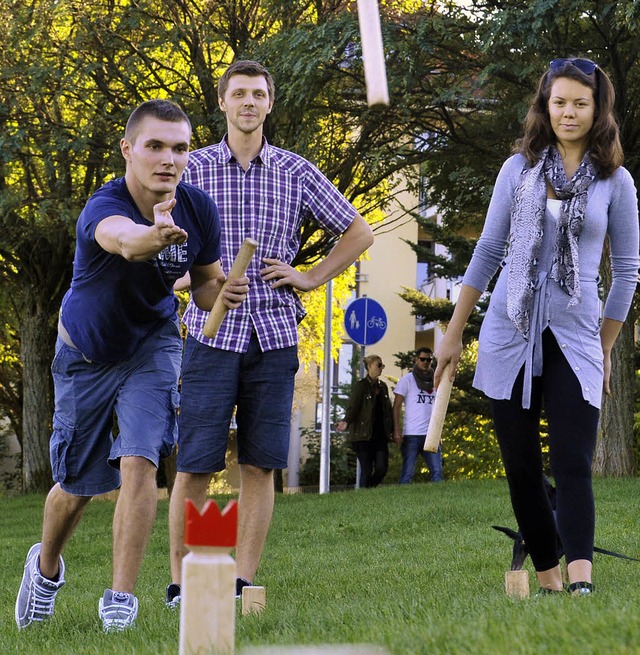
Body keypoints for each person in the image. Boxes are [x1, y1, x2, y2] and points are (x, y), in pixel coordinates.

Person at [14, 99, 249, 632]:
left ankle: (120, 600)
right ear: (128, 150)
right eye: (156, 146)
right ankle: (45, 568)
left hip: (153, 345)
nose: (169, 159)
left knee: (140, 458)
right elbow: (124, 240)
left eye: (180, 148)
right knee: (76, 484)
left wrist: (221, 291)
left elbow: (208, 286)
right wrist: (155, 236)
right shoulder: (104, 205)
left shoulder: (198, 208)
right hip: (87, 353)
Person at [167, 60, 374, 606]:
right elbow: (166, 250)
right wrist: (199, 284)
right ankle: (182, 585)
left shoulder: (296, 171)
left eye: (258, 94)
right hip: (210, 336)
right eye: (239, 94)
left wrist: (309, 277)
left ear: (270, 103)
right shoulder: (192, 170)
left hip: (274, 335)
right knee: (196, 463)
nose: (249, 103)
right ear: (223, 103)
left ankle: (239, 580)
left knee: (260, 463)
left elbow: (359, 231)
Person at [434, 58, 639, 595]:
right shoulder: (516, 171)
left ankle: (581, 579)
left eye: (580, 103)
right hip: (509, 329)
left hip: (577, 336)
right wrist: (455, 332)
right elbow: (488, 251)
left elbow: (627, 273)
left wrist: (606, 346)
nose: (569, 112)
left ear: (598, 111)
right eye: (559, 102)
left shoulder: (616, 181)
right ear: (545, 107)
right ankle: (547, 576)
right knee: (521, 467)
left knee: (572, 460)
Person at [336, 354, 394, 488]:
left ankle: (367, 490)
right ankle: (364, 495)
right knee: (366, 469)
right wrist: (346, 421)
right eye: (378, 365)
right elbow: (353, 407)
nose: (381, 368)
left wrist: (391, 431)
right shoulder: (361, 386)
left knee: (381, 468)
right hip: (363, 436)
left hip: (380, 435)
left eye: (382, 365)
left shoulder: (383, 387)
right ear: (369, 367)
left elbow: (388, 411)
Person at [392, 347, 443, 483]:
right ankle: (402, 500)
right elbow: (396, 406)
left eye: (429, 360)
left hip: (431, 434)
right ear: (416, 360)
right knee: (407, 473)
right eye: (422, 359)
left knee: (437, 472)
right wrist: (396, 430)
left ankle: (441, 501)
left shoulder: (436, 380)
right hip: (411, 434)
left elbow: (439, 408)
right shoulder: (407, 380)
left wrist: (438, 433)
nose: (425, 362)